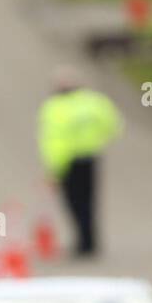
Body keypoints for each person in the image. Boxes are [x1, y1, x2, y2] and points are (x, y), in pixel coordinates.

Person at [37, 67, 123, 256]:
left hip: (68, 161)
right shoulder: (94, 102)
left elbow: (53, 142)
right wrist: (98, 140)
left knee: (74, 202)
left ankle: (83, 242)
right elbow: (113, 124)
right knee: (89, 200)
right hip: (90, 156)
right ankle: (90, 240)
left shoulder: (55, 108)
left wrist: (54, 170)